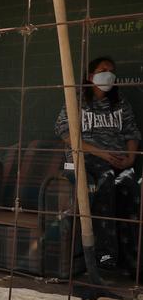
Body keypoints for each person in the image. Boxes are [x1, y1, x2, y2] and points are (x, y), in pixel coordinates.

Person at [54, 56, 141, 271]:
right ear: (91, 76)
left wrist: (131, 157)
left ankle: (130, 260)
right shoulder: (77, 99)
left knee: (128, 185)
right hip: (87, 158)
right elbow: (64, 132)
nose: (108, 74)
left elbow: (132, 133)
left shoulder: (120, 102)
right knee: (106, 180)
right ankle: (105, 257)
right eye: (103, 70)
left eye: (112, 70)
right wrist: (103, 154)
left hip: (118, 159)